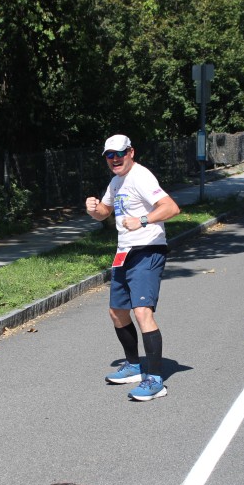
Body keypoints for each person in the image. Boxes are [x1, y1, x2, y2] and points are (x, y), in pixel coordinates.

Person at [85, 134, 180, 402]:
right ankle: (133, 366)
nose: (115, 159)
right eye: (109, 155)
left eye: (120, 153)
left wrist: (143, 220)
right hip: (124, 252)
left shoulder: (141, 177)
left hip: (147, 250)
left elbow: (171, 208)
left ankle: (155, 380)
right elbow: (104, 211)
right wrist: (93, 210)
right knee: (117, 312)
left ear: (131, 153)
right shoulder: (117, 181)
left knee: (141, 311)